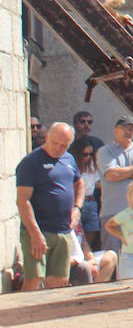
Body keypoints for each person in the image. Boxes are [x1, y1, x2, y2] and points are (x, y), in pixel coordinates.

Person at [16, 122, 82, 290]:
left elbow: (79, 183)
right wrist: (35, 233)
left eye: (64, 145)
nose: (59, 148)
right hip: (38, 231)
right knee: (34, 279)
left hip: (63, 230)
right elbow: (23, 200)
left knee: (59, 281)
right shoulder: (31, 162)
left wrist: (77, 208)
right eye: (55, 143)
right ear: (47, 137)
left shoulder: (69, 159)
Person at [96, 116, 133, 256]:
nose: (129, 132)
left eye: (132, 129)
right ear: (116, 130)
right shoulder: (105, 151)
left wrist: (123, 172)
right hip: (112, 212)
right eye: (125, 129)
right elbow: (111, 175)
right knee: (113, 256)